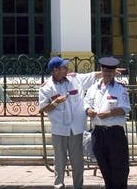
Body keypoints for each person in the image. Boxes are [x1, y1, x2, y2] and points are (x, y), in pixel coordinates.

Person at [39, 55, 99, 189]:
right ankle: (59, 185)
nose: (66, 69)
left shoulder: (75, 79)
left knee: (77, 161)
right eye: (63, 67)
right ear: (55, 70)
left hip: (76, 128)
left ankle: (78, 186)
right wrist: (55, 102)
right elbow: (43, 109)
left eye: (66, 66)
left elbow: (93, 75)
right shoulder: (46, 88)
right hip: (59, 129)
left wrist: (109, 72)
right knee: (59, 160)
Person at [84, 56, 130, 189]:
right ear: (101, 71)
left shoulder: (120, 89)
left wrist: (109, 114)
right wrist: (88, 111)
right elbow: (86, 103)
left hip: (114, 133)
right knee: (104, 166)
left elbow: (125, 109)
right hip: (98, 132)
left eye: (110, 72)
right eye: (105, 71)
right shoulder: (93, 88)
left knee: (119, 168)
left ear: (115, 72)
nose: (107, 74)